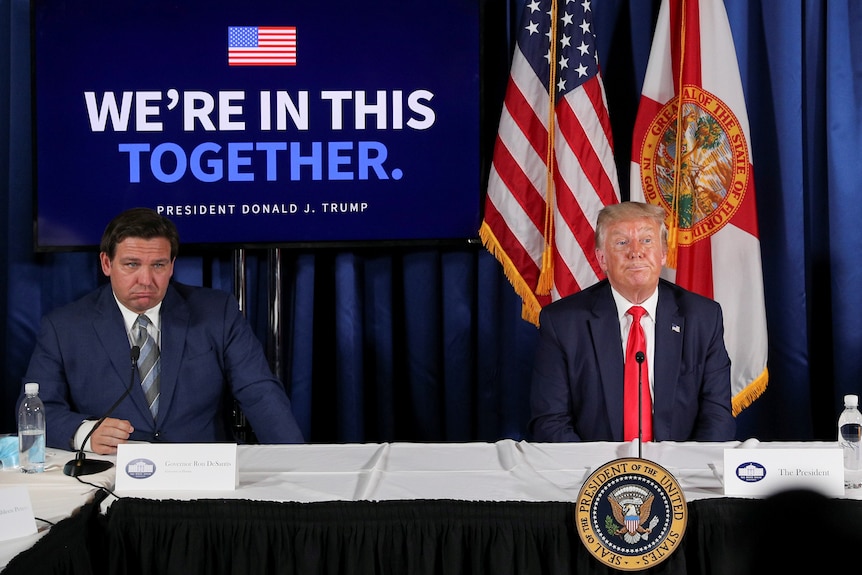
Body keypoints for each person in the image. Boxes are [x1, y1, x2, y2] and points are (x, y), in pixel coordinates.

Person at [20, 207, 304, 454]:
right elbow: (38, 407)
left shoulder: (217, 313)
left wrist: (297, 463)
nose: (146, 279)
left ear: (172, 266)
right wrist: (84, 432)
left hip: (204, 474)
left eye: (158, 265)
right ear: (107, 263)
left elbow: (260, 393)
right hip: (114, 476)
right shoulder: (64, 327)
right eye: (132, 265)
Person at [528, 201, 735, 442]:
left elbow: (717, 416)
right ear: (602, 259)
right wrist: (600, 477)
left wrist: (684, 473)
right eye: (622, 242)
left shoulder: (703, 318)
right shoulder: (562, 323)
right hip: (593, 473)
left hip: (680, 473)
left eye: (647, 241)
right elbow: (550, 421)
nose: (635, 251)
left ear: (663, 254)